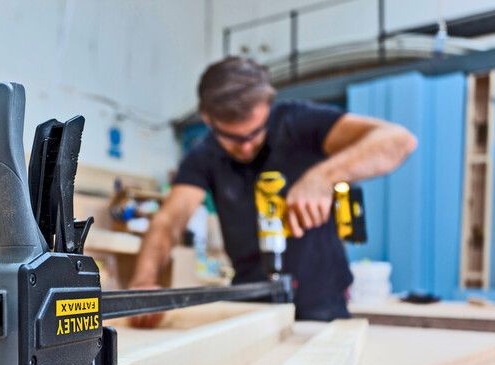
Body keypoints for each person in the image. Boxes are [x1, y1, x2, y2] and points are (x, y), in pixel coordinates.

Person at [129, 57, 417, 324]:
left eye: (255, 132)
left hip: (323, 301)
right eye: (232, 138)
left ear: (268, 106)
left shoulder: (299, 122)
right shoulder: (203, 155)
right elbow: (168, 221)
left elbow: (399, 140)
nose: (245, 147)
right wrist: (144, 282)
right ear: (207, 119)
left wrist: (322, 177)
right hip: (250, 304)